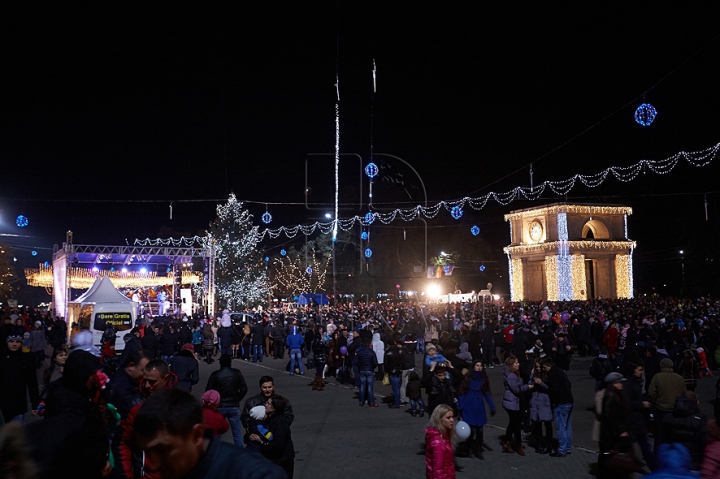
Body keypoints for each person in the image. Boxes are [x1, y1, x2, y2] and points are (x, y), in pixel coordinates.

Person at [133, 389, 287, 479]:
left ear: (196, 435)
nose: (151, 464)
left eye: (161, 450)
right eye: (146, 452)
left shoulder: (256, 474)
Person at [205, 353, 249, 447]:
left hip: (219, 406)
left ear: (220, 363)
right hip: (233, 404)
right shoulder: (236, 373)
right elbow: (244, 388)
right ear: (230, 362)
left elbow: (208, 391)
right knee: (237, 433)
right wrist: (237, 398)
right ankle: (239, 453)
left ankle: (216, 451)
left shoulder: (215, 374)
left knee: (217, 432)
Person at [598, 372, 635, 479]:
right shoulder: (611, 395)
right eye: (619, 382)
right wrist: (621, 430)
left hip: (616, 432)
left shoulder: (618, 394)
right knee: (611, 456)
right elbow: (610, 416)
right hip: (612, 434)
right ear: (613, 383)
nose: (621, 385)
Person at [247, 395, 296, 478]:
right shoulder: (267, 419)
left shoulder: (280, 423)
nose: (265, 405)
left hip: (282, 461)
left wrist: (261, 442)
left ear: (275, 408)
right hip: (274, 460)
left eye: (269, 404)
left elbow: (278, 444)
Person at [457, 359, 496, 460]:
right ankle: (470, 448)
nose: (479, 367)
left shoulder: (483, 378)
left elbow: (487, 393)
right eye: (477, 365)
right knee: (471, 430)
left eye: (481, 366)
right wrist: (460, 406)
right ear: (473, 366)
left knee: (480, 431)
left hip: (479, 407)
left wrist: (492, 406)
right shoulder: (468, 378)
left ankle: (478, 450)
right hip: (469, 406)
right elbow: (462, 392)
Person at [648, 357, 687, 453]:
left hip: (660, 410)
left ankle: (658, 456)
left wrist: (655, 401)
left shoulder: (657, 377)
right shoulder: (679, 378)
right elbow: (684, 394)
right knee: (673, 435)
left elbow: (651, 393)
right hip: (675, 411)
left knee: (659, 435)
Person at [662, 390, 708, 470]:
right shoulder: (700, 420)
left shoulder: (668, 418)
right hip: (693, 461)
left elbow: (663, 439)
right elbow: (704, 441)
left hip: (673, 460)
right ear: (696, 403)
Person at [0, 334, 40, 423]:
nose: (14, 344)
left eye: (17, 341)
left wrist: (35, 403)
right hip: (2, 403)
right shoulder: (2, 357)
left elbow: (32, 382)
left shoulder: (27, 358)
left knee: (14, 433)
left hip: (18, 403)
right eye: (11, 341)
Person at [542, 356, 574, 457]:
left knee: (560, 428)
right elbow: (569, 384)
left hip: (561, 403)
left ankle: (561, 450)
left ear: (548, 366)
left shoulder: (552, 374)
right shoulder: (560, 371)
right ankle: (568, 447)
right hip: (569, 401)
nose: (544, 370)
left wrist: (553, 400)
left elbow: (553, 390)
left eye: (544, 367)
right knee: (567, 426)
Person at [502, 355, 532, 455]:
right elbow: (517, 390)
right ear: (511, 365)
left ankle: (506, 442)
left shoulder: (513, 374)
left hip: (512, 402)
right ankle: (518, 444)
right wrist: (527, 387)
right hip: (512, 403)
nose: (518, 364)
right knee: (516, 424)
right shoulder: (511, 376)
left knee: (512, 423)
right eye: (516, 363)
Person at [528, 358, 553, 454]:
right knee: (537, 426)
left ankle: (548, 445)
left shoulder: (547, 375)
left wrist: (541, 383)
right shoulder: (534, 375)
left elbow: (550, 388)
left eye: (539, 367)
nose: (538, 369)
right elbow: (529, 385)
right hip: (535, 403)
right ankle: (539, 445)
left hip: (544, 402)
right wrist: (531, 375)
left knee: (547, 424)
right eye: (536, 367)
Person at [425, 403, 456, 479]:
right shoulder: (438, 442)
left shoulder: (444, 436)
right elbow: (437, 471)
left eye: (452, 417)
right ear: (439, 419)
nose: (452, 420)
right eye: (448, 418)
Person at [355, 338, 379, 407]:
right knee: (370, 387)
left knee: (362, 386)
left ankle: (361, 402)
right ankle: (372, 402)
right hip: (370, 370)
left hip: (362, 369)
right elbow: (375, 362)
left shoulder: (360, 352)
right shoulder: (372, 352)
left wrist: (360, 366)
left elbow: (355, 361)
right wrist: (372, 367)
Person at [384, 334, 406, 409]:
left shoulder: (387, 352)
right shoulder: (400, 351)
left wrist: (386, 371)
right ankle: (397, 400)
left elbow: (386, 363)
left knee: (395, 388)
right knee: (398, 387)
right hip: (399, 370)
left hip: (391, 371)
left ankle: (396, 402)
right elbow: (403, 361)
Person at [310, 327, 328, 391]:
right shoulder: (321, 343)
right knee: (320, 372)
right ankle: (319, 385)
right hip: (321, 358)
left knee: (318, 372)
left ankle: (315, 384)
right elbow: (326, 347)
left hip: (316, 358)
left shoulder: (314, 343)